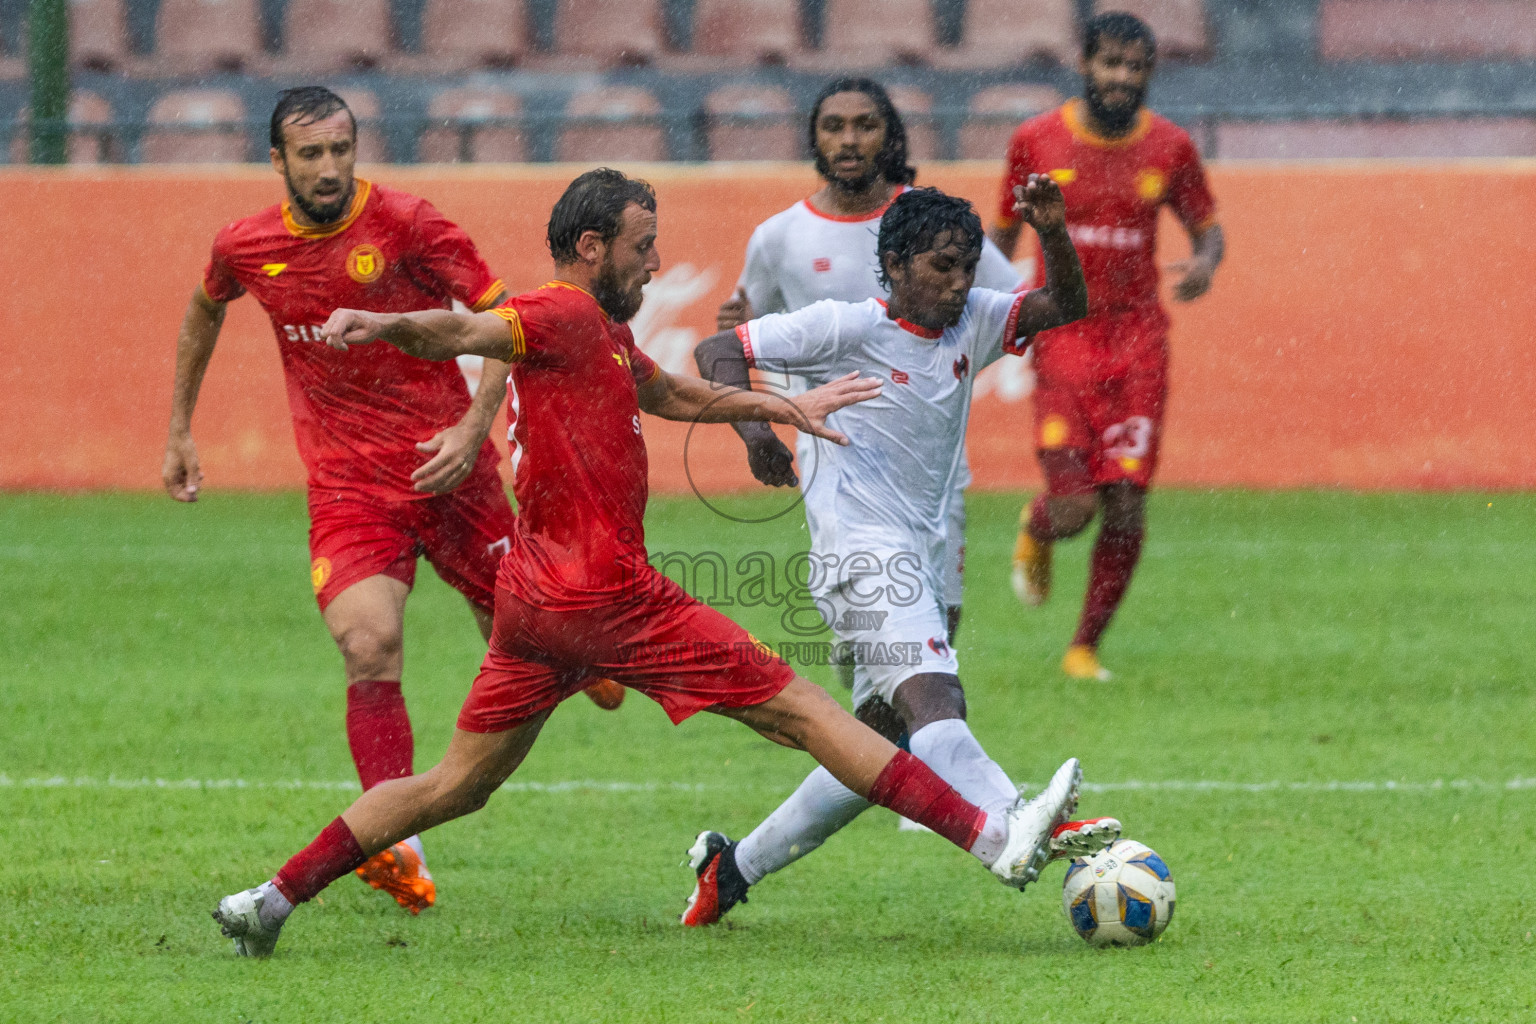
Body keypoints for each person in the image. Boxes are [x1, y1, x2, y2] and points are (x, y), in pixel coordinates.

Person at [211, 168, 1088, 958]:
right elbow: (461, 329)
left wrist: (788, 403)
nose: (657, 264)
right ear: (591, 247)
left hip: (534, 604)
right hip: (611, 598)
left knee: (451, 785)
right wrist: (385, 320)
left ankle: (272, 898)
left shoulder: (597, 331)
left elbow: (672, 392)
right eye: (642, 247)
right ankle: (993, 838)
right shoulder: (556, 311)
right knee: (811, 714)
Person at [163, 87, 621, 916]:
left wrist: (474, 425)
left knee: (539, 642)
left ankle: (579, 658)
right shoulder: (246, 244)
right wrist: (180, 430)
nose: (330, 167)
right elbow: (205, 304)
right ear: (278, 162)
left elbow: (503, 320)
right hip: (348, 486)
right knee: (368, 644)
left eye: (341, 149)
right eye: (311, 154)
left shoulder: (411, 224)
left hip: (452, 473)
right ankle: (392, 842)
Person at [680, 184, 1119, 926]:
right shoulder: (843, 328)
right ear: (894, 264)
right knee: (935, 703)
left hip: (910, 553)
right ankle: (1011, 824)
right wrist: (758, 431)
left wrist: (1054, 232)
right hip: (862, 556)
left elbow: (1065, 304)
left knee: (880, 747)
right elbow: (717, 349)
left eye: (967, 267)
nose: (958, 282)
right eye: (942, 266)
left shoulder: (973, 319)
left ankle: (732, 868)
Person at [716, 77, 1023, 647]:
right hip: (835, 449)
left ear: (892, 135)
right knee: (869, 619)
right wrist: (754, 431)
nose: (849, 140)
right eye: (834, 127)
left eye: (865, 125)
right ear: (814, 139)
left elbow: (1009, 300)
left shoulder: (932, 222)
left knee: (940, 615)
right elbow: (735, 336)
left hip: (930, 448)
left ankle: (904, 714)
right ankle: (881, 691)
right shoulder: (779, 237)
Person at [990, 12, 1225, 682]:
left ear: (1148, 73)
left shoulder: (1171, 148)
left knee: (1126, 499)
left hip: (1138, 342)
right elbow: (1001, 239)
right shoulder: (1035, 140)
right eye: (1110, 64)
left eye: (1135, 67)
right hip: (1063, 334)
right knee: (1075, 506)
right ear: (1084, 65)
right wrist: (978, 308)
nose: (1122, 78)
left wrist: (1206, 262)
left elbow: (1209, 229)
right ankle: (1039, 526)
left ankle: (1084, 648)